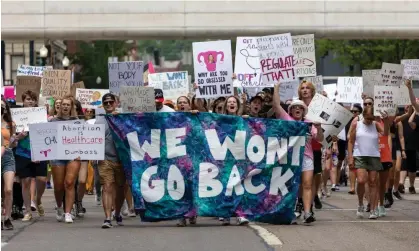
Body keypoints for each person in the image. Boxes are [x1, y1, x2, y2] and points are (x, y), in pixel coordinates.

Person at [273, 82, 324, 224]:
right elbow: (277, 106)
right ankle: (290, 211)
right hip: (290, 158)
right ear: (290, 111)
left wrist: (318, 128)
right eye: (294, 107)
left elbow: (319, 139)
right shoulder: (287, 120)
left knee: (307, 184)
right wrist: (276, 87)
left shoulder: (309, 123)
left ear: (303, 111)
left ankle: (307, 212)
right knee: (291, 185)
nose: (297, 109)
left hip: (307, 158)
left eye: (300, 108)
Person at [348, 105, 389, 219]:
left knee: (373, 181)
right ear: (364, 115)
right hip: (360, 155)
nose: (371, 120)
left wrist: (385, 120)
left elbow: (385, 134)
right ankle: (360, 203)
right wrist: (350, 157)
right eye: (369, 118)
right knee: (361, 180)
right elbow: (351, 141)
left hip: (374, 156)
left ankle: (373, 209)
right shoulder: (357, 124)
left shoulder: (376, 124)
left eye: (373, 118)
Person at [14, 91, 48, 221]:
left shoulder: (40, 115)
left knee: (41, 180)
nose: (30, 101)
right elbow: (12, 138)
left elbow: (46, 134)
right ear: (23, 101)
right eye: (28, 99)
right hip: (23, 152)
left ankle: (38, 200)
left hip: (40, 152)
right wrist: (18, 136)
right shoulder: (16, 116)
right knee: (26, 181)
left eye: (33, 99)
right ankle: (27, 211)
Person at [95, 93, 126, 228]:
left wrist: (120, 120)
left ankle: (117, 212)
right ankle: (107, 218)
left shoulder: (124, 118)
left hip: (122, 159)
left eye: (111, 102)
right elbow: (93, 140)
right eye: (106, 103)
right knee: (107, 187)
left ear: (116, 103)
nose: (108, 104)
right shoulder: (99, 121)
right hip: (105, 158)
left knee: (120, 188)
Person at [49, 95, 81, 223]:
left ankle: (68, 212)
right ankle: (59, 207)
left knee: (69, 183)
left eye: (68, 104)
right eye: (64, 104)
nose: (66, 106)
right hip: (57, 155)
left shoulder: (77, 121)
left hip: (73, 155)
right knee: (58, 186)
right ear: (59, 106)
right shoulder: (52, 121)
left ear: (71, 107)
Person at [1, 96, 16, 230]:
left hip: (8, 157)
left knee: (8, 189)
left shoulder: (10, 124)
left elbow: (13, 143)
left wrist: (16, 139)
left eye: (3, 107)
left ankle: (7, 218)